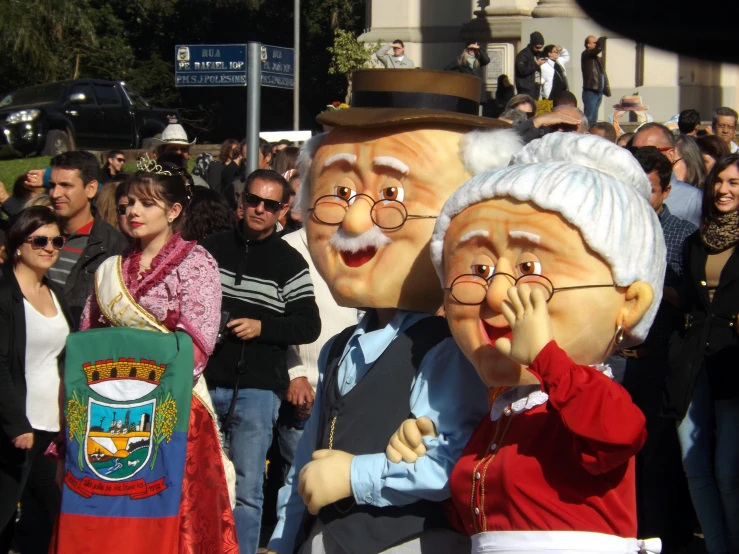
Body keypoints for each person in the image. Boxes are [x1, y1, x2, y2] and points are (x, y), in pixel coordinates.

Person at [268, 68, 509, 554]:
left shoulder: (444, 352)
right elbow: (304, 466)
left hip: (408, 540)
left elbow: (450, 463)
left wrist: (354, 475)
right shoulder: (341, 347)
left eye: (391, 195)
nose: (356, 220)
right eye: (339, 193)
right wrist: (282, 537)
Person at [391, 132, 665, 553]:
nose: (496, 294)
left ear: (629, 302)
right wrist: (430, 453)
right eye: (478, 269)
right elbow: (479, 516)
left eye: (529, 268)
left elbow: (618, 434)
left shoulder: (592, 398)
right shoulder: (504, 412)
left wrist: (545, 357)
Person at [60, 159, 238, 553]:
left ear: (174, 211)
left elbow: (197, 345)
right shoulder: (109, 269)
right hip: (104, 410)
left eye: (145, 204)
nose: (132, 213)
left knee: (171, 516)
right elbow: (88, 340)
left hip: (171, 408)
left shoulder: (196, 264)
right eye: (125, 205)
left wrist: (138, 383)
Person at [200, 169, 321, 554]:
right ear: (241, 201)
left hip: (256, 389)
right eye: (253, 200)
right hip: (201, 380)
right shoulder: (209, 248)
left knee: (249, 487)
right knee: (200, 480)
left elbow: (309, 324)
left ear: (283, 209)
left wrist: (262, 325)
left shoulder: (290, 262)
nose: (259, 210)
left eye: (270, 205)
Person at [663, 154, 739, 554]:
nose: (723, 190)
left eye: (734, 183)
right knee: (694, 467)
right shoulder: (696, 239)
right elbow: (690, 300)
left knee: (728, 470)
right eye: (719, 182)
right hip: (692, 358)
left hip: (732, 361)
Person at [623, 147, 697, 551]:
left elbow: (691, 300)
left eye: (648, 190)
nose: (640, 198)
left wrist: (651, 288)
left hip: (659, 362)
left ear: (666, 191)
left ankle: (665, 538)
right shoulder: (612, 228)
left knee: (658, 463)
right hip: (616, 364)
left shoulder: (683, 235)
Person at [0, 207, 73, 554]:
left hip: (51, 426)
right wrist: (16, 425)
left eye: (57, 241)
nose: (49, 247)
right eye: (40, 240)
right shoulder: (3, 295)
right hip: (14, 428)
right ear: (18, 244)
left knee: (50, 516)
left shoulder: (56, 292)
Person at [46, 151, 128, 324]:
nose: (55, 194)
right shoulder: (37, 235)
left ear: (90, 189)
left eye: (66, 185)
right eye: (52, 185)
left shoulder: (112, 244)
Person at [632, 123, 702, 227]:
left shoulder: (692, 199)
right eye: (634, 151)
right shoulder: (623, 190)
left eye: (649, 150)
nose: (640, 156)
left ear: (670, 155)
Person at [582, 35, 611, 126]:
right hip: (591, 90)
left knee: (594, 117)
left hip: (598, 90)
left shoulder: (596, 58)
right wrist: (601, 42)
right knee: (589, 117)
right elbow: (597, 50)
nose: (597, 44)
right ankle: (586, 133)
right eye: (594, 42)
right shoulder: (586, 54)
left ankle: (592, 132)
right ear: (588, 45)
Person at [514, 31, 545, 99]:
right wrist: (536, 64)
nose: (538, 50)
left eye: (540, 48)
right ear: (532, 44)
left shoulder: (538, 54)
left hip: (536, 87)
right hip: (526, 89)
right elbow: (522, 70)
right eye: (537, 47)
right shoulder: (523, 55)